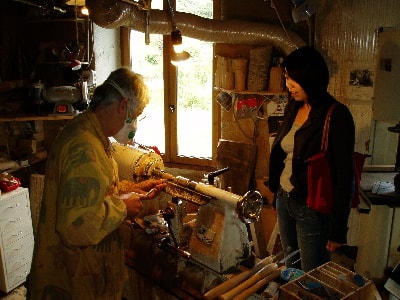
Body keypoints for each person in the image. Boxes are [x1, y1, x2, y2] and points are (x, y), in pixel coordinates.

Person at [27, 67, 167, 300]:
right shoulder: (85, 146)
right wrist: (123, 208)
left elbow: (91, 191)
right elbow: (76, 226)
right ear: (123, 106)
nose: (134, 123)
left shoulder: (87, 132)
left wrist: (130, 190)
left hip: (84, 271)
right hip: (73, 279)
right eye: (136, 114)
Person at [268, 46, 355, 272]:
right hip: (284, 198)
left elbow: (345, 176)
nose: (289, 85)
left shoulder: (336, 115)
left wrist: (338, 231)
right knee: (292, 268)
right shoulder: (293, 107)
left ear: (311, 78)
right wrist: (275, 191)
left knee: (312, 274)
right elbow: (284, 154)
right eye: (287, 78)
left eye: (294, 80)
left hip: (312, 207)